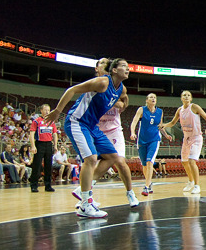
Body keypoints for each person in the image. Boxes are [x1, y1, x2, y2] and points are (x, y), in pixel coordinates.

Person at [45, 58, 139, 218]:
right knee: (91, 159)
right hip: (77, 121)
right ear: (114, 70)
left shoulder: (121, 88)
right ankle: (85, 205)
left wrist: (123, 104)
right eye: (124, 66)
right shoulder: (102, 82)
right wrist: (58, 110)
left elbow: (124, 99)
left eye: (128, 66)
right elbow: (72, 90)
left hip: (92, 126)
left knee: (112, 157)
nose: (128, 69)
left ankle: (84, 190)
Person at [88, 57, 140, 204]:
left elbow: (124, 99)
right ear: (97, 68)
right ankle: (86, 195)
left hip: (113, 129)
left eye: (108, 63)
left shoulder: (118, 85)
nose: (106, 64)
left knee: (120, 161)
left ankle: (130, 193)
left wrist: (122, 104)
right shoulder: (94, 85)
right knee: (91, 162)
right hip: (96, 128)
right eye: (103, 62)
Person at [161, 90, 206, 195]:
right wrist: (164, 125)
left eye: (188, 95)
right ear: (181, 98)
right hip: (186, 138)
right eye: (184, 95)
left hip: (196, 138)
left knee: (191, 161)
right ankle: (191, 181)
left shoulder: (194, 107)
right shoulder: (180, 110)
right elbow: (173, 122)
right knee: (184, 162)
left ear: (191, 98)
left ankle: (197, 186)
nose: (186, 97)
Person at [130, 93, 172, 196]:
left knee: (149, 162)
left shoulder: (160, 112)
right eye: (151, 97)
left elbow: (160, 126)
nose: (153, 99)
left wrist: (166, 135)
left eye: (154, 97)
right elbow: (134, 121)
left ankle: (147, 186)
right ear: (147, 100)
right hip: (142, 140)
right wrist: (132, 132)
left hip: (154, 140)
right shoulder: (141, 110)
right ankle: (149, 182)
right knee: (144, 164)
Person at [29, 104, 59, 192]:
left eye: (48, 110)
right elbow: (31, 134)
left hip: (49, 144)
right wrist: (33, 146)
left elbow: (55, 134)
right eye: (45, 110)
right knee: (37, 165)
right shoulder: (36, 121)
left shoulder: (52, 122)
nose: (47, 112)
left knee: (48, 165)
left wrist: (55, 145)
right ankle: (34, 185)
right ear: (41, 111)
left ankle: (48, 185)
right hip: (39, 144)